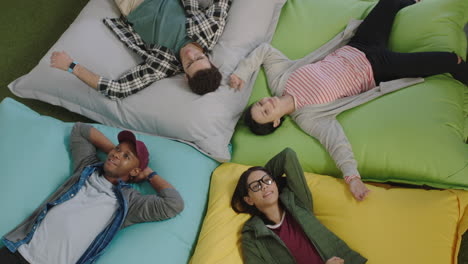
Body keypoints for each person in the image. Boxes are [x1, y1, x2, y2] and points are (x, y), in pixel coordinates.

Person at [229, 0, 467, 201]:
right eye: (265, 112)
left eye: (259, 104)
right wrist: (352, 178)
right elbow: (336, 142)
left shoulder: (280, 79)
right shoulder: (309, 117)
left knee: (389, 2)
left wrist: (241, 73)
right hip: (379, 67)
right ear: (276, 122)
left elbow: (264, 51)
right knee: (449, 60)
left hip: (360, 45)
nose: (264, 104)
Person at [0, 123, 184, 264]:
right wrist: (115, 154)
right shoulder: (86, 167)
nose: (116, 154)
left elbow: (173, 204)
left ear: (135, 171)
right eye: (117, 149)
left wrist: (149, 174)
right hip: (18, 251)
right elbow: (81, 130)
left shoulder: (130, 203)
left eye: (127, 156)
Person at [50, 0, 232, 99]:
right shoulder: (210, 32)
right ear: (209, 59)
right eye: (199, 57)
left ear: (185, 75)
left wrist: (71, 66)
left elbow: (118, 89)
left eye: (189, 63)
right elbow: (223, 4)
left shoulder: (162, 66)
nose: (190, 54)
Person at [231, 148, 367, 264]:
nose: (264, 186)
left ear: (275, 184)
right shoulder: (252, 235)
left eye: (267, 180)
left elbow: (287, 156)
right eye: (256, 186)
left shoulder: (297, 201)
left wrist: (262, 174)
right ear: (249, 200)